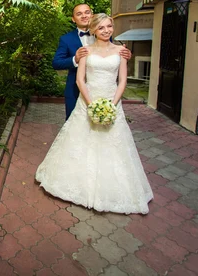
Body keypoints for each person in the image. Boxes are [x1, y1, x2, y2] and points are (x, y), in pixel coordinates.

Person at [36, 14, 153, 214]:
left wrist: (112, 106)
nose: (106, 30)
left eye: (109, 26)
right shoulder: (85, 51)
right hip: (88, 100)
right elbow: (80, 80)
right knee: (81, 139)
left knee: (114, 143)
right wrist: (92, 105)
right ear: (94, 31)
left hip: (111, 100)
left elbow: (122, 81)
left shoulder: (121, 51)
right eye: (101, 28)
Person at [53, 4, 131, 119]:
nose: (84, 16)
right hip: (75, 90)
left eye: (87, 12)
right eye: (79, 14)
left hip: (104, 90)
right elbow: (56, 63)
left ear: (92, 14)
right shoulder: (66, 39)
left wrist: (126, 55)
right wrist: (75, 59)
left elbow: (111, 58)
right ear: (73, 19)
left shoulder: (105, 33)